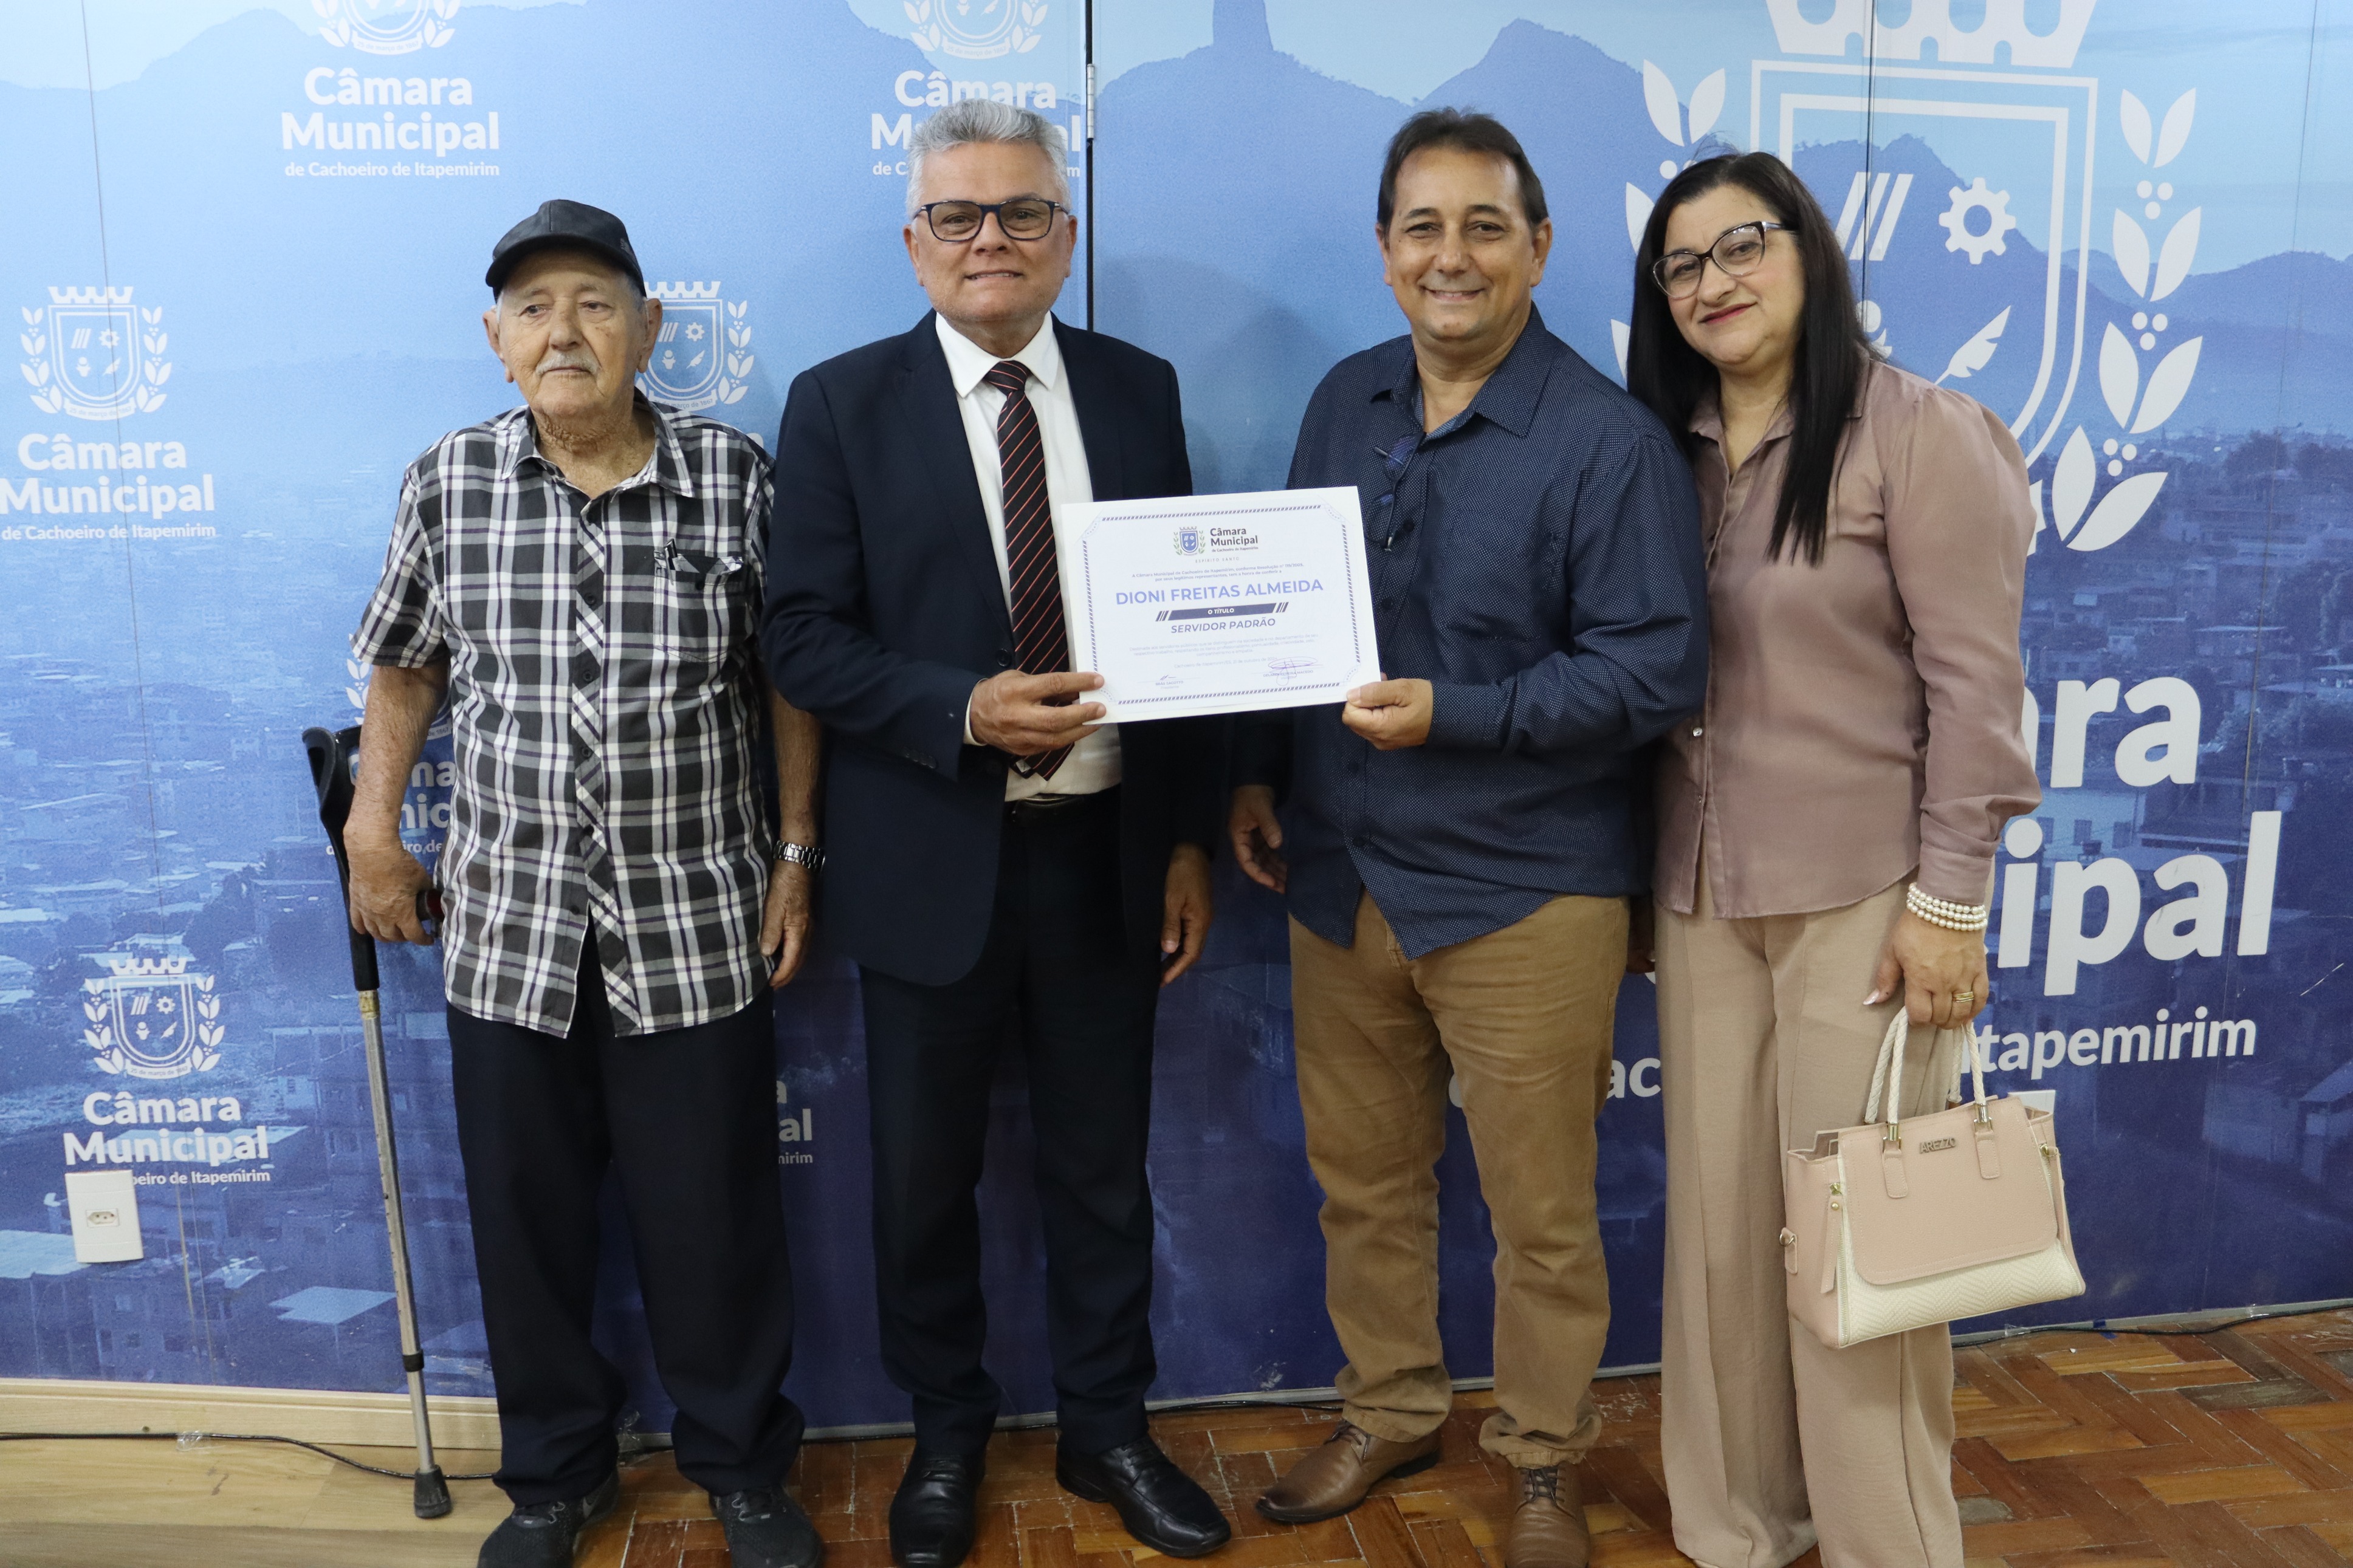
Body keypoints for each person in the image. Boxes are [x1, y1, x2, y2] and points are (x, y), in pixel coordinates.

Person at [1228, 110, 1708, 1568]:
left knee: (1540, 1215)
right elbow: (1282, 616)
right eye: (1423, 227)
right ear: (1385, 252)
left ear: (1538, 248)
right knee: (1364, 1186)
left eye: (1484, 226)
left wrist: (1460, 716)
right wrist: (1254, 772)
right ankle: (1389, 1408)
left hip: (1525, 890)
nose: (1452, 256)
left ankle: (1545, 1457)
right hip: (1341, 873)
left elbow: (1651, 673)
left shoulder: (1609, 443)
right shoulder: (1345, 400)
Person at [760, 101, 1229, 1568]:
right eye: (957, 216)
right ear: (914, 244)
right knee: (922, 1184)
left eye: (1021, 212)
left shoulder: (1140, 391)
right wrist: (959, 707)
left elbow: (1187, 633)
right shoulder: (840, 404)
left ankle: (1109, 1428)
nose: (990, 240)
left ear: (1064, 237)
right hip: (926, 863)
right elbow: (798, 637)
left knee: (1102, 1170)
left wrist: (1186, 839)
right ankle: (946, 1433)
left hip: (1106, 855)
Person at [345, 199, 823, 1568]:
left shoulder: (734, 475)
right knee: (527, 1223)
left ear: (648, 329)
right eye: (534, 308)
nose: (565, 330)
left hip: (695, 919)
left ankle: (741, 1467)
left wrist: (797, 849)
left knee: (716, 1217)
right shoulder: (449, 480)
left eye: (595, 303)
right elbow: (407, 663)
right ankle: (556, 1475)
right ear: (497, 340)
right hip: (509, 924)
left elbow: (789, 677)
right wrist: (375, 827)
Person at [1624, 151, 2041, 1568]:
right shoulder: (1657, 448)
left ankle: (1886, 1542)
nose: (1713, 282)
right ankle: (1740, 1526)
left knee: (1858, 1244)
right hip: (1698, 893)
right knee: (1721, 1245)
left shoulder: (1915, 432)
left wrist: (1949, 906)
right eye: (1682, 263)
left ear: (1808, 250)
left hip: (1866, 900)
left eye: (1742, 245)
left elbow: (1977, 690)